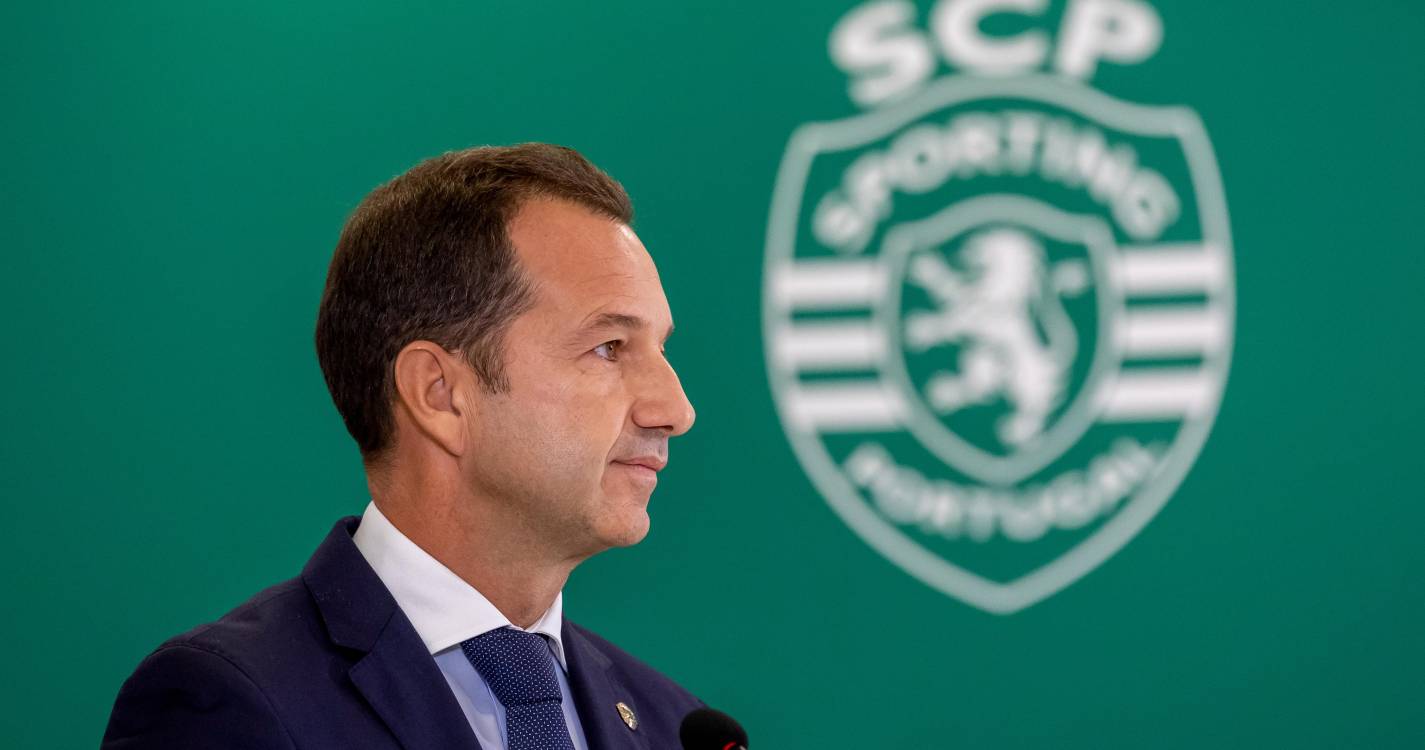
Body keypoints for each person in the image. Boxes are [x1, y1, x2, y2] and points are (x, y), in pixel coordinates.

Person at [101, 144, 702, 749]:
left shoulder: (674, 726)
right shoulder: (230, 705)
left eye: (661, 350)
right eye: (609, 348)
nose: (676, 411)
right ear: (438, 394)